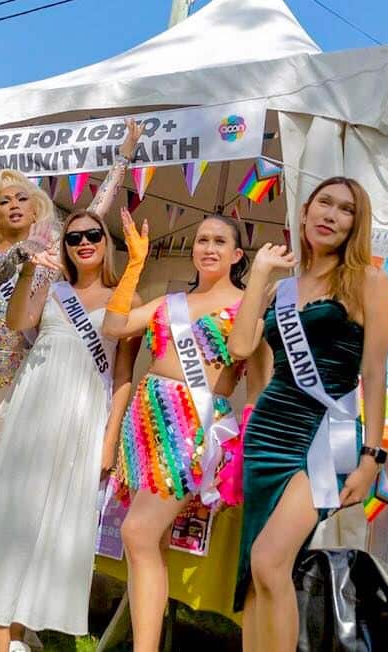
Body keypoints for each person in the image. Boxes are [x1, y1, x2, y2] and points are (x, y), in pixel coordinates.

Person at [0, 122, 139, 642]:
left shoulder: (51, 255)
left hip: (21, 388)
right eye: (3, 200)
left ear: (37, 208)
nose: (13, 205)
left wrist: (123, 159)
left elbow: (93, 216)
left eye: (22, 198)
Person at [0, 208, 139, 651]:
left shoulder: (125, 298)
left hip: (84, 416)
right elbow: (18, 322)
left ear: (106, 242)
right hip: (34, 409)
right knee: (15, 509)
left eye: (93, 235)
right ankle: (3, 625)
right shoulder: (52, 288)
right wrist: (27, 273)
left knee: (57, 521)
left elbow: (123, 376)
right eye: (74, 238)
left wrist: (110, 438)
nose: (84, 243)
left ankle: (22, 621)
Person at [227, 176, 388, 652]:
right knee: (255, 570)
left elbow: (374, 373)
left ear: (355, 226)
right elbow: (240, 346)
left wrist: (371, 457)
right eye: (324, 203)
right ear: (304, 212)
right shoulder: (281, 289)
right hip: (267, 433)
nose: (331, 215)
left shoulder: (367, 281)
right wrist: (259, 275)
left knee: (270, 560)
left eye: (345, 210)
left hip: (325, 434)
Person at [94, 212, 262, 652]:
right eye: (202, 239)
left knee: (138, 533)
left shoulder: (248, 307)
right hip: (146, 422)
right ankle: (148, 639)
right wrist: (135, 264)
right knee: (152, 540)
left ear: (237, 254)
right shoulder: (170, 302)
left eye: (220, 241)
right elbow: (114, 325)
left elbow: (258, 383)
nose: (208, 248)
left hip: (195, 426)